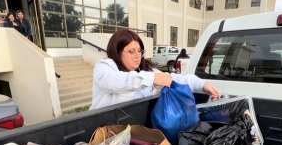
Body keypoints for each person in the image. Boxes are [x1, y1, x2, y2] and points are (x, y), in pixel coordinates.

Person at [90, 29, 221, 110]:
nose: (137, 56)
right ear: (117, 52)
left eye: (140, 51)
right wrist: (152, 79)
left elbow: (175, 78)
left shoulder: (145, 70)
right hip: (103, 133)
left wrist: (203, 85)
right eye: (131, 51)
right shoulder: (105, 66)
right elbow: (116, 82)